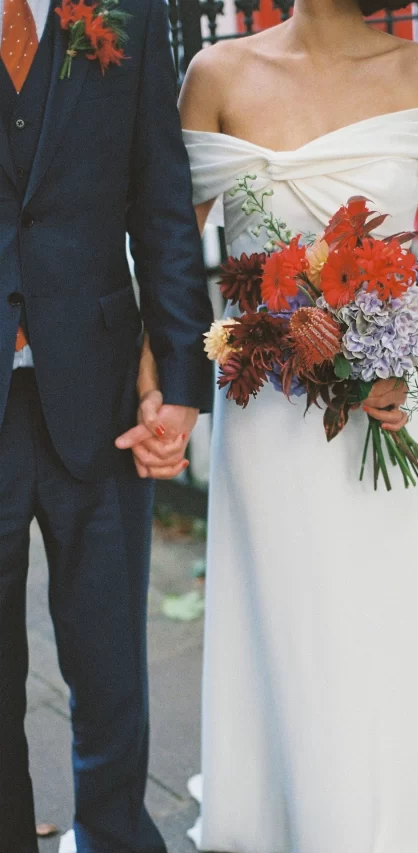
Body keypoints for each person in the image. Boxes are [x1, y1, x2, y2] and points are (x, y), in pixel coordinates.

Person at [172, 1, 418, 850]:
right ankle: (279, 813)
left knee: (380, 622)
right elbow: (167, 249)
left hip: (385, 404)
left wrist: (394, 359)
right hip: (269, 412)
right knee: (293, 622)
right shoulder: (217, 75)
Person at [0, 0, 213, 851]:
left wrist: (183, 378)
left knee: (112, 670)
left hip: (103, 394)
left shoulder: (128, 10)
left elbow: (163, 204)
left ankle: (115, 838)